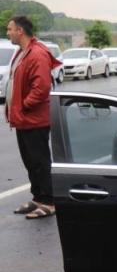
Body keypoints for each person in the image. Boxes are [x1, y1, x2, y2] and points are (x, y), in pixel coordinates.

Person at [5, 15, 61, 219]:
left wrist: (23, 106)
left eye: (10, 29)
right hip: (23, 119)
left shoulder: (37, 53)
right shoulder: (22, 52)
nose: (8, 32)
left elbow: (42, 88)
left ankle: (49, 201)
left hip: (34, 119)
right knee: (30, 160)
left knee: (39, 161)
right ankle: (38, 197)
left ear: (20, 30)